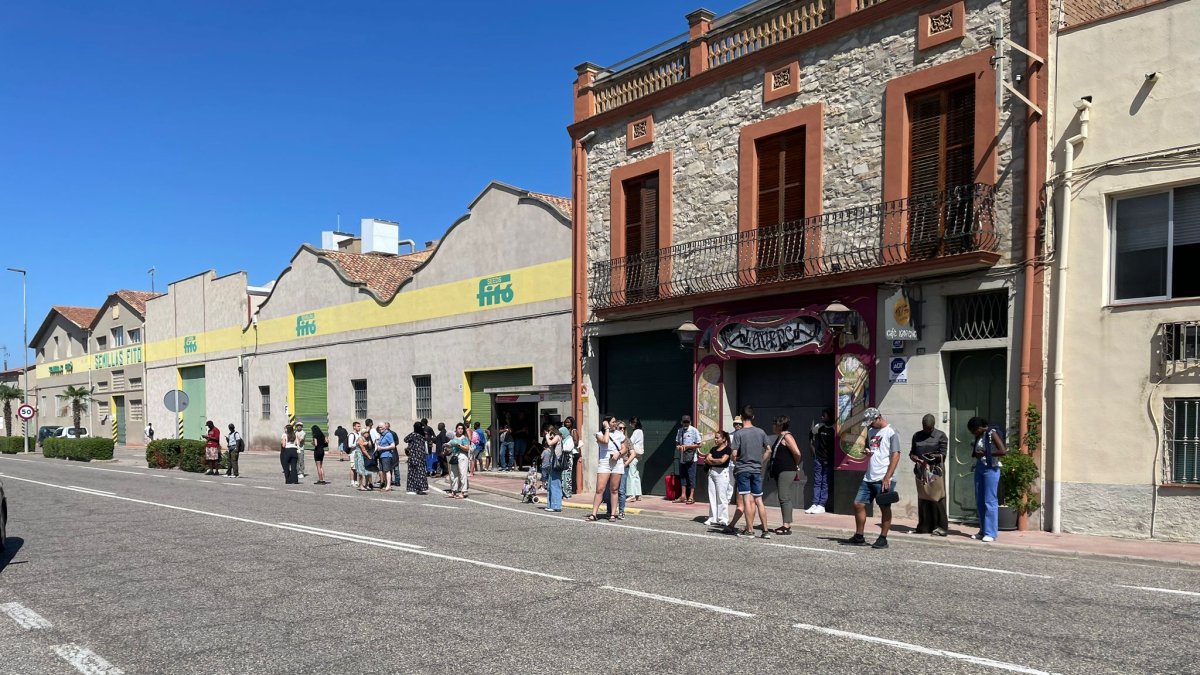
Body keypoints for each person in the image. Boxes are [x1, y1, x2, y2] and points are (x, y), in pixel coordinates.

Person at [846, 408, 901, 549]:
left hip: (884, 477)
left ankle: (883, 538)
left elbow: (896, 455)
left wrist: (887, 477)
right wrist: (867, 452)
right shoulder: (871, 432)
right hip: (869, 476)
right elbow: (872, 450)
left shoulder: (891, 432)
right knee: (858, 504)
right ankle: (859, 536)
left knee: (884, 507)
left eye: (871, 422)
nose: (870, 426)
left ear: (878, 417)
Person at [727, 407, 770, 539]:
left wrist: (736, 460)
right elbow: (768, 449)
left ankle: (750, 530)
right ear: (753, 417)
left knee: (746, 499)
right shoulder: (761, 432)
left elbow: (734, 453)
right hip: (756, 469)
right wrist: (760, 462)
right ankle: (765, 530)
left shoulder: (739, 434)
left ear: (741, 417)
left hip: (743, 469)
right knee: (759, 500)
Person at [968, 416, 1007, 543]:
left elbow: (1002, 451)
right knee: (979, 499)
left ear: (979, 428)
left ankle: (991, 533)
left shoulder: (992, 432)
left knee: (990, 501)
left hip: (991, 469)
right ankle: (983, 530)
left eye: (973, 431)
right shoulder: (980, 436)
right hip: (980, 467)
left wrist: (984, 453)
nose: (973, 433)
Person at [911, 414, 949, 536]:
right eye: (925, 427)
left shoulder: (941, 435)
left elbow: (943, 454)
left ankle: (941, 527)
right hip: (921, 470)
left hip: (935, 470)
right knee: (923, 497)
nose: (927, 430)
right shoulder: (917, 435)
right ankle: (924, 525)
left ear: (933, 426)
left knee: (938, 498)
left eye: (929, 428)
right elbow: (912, 453)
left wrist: (933, 456)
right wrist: (917, 459)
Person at [769, 416, 802, 536]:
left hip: (786, 470)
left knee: (784, 497)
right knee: (782, 497)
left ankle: (786, 526)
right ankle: (785, 524)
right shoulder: (780, 437)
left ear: (780, 425)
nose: (773, 426)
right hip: (780, 470)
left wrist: (795, 464)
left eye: (775, 424)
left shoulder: (787, 436)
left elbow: (797, 453)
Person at [588, 416, 623, 522]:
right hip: (604, 463)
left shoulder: (619, 434)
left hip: (617, 462)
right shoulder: (599, 434)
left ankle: (613, 514)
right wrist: (607, 429)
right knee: (600, 489)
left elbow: (625, 447)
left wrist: (619, 453)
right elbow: (606, 441)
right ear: (606, 423)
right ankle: (594, 514)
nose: (615, 423)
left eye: (615, 422)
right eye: (612, 422)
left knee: (614, 489)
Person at [805, 408, 835, 514]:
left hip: (829, 460)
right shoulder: (819, 426)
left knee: (825, 482)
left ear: (830, 416)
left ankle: (822, 505)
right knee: (817, 481)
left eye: (824, 415)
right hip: (818, 458)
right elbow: (811, 434)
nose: (822, 417)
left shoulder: (835, 428)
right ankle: (814, 504)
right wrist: (811, 447)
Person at [704, 430, 733, 527]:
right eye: (715, 438)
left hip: (722, 474)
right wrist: (713, 461)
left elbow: (722, 461)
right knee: (712, 495)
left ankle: (723, 519)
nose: (715, 439)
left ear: (724, 439)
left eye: (717, 437)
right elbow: (707, 459)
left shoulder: (728, 449)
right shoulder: (713, 449)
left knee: (721, 496)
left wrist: (711, 460)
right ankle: (712, 517)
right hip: (712, 473)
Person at [603, 419, 628, 518]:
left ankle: (621, 511)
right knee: (610, 489)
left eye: (623, 428)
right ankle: (610, 511)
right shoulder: (609, 435)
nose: (621, 429)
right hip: (611, 464)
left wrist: (626, 463)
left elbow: (632, 452)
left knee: (620, 490)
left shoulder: (625, 439)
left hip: (622, 465)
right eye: (619, 427)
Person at [675, 415, 701, 504]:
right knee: (682, 476)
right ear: (681, 422)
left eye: (687, 422)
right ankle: (683, 496)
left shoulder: (694, 430)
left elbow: (699, 444)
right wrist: (678, 447)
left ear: (690, 422)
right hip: (682, 457)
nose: (686, 423)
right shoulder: (680, 430)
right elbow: (677, 442)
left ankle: (691, 496)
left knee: (691, 477)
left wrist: (688, 447)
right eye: (684, 422)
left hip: (691, 458)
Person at [540, 424, 564, 511]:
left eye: (547, 433)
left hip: (556, 463)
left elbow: (550, 443)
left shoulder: (558, 436)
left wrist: (547, 436)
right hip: (552, 462)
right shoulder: (556, 437)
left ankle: (556, 506)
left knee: (555, 484)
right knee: (550, 484)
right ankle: (550, 505)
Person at [404, 422, 429, 496]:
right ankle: (420, 488)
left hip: (412, 457)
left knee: (412, 473)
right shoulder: (422, 436)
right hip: (420, 457)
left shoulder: (412, 435)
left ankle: (411, 488)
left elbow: (405, 439)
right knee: (420, 473)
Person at [448, 423, 471, 498]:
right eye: (459, 428)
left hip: (462, 456)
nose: (460, 430)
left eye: (462, 429)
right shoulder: (453, 438)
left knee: (462, 474)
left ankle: (463, 492)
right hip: (454, 456)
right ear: (456, 429)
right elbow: (449, 446)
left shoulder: (464, 438)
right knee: (453, 474)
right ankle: (454, 491)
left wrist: (459, 445)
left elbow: (467, 448)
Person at [560, 416, 580, 499]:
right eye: (566, 422)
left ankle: (572, 489)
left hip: (573, 453)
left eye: (568, 422)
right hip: (567, 453)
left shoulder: (573, 431)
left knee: (572, 471)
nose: (567, 423)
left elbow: (576, 442)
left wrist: (569, 440)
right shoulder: (565, 430)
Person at [626, 417, 645, 502]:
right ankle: (638, 494)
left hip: (634, 455)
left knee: (631, 474)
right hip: (638, 455)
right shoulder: (640, 431)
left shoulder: (636, 432)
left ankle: (631, 495)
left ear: (634, 423)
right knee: (635, 474)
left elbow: (630, 442)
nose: (630, 425)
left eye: (631, 423)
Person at [376, 422, 398, 492]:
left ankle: (388, 486)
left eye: (381, 427)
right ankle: (385, 485)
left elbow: (393, 445)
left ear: (385, 427)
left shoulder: (388, 434)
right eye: (379, 427)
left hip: (387, 455)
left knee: (387, 471)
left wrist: (382, 448)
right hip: (381, 455)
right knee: (383, 471)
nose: (380, 428)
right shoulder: (382, 435)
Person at [355, 423, 376, 491]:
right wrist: (368, 456)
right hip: (360, 456)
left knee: (367, 471)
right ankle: (361, 485)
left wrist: (369, 443)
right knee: (361, 472)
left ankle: (366, 485)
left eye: (367, 433)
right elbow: (363, 450)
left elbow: (370, 447)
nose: (367, 434)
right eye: (365, 433)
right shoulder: (360, 439)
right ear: (363, 433)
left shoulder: (367, 439)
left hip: (365, 456)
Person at [348, 421, 364, 487]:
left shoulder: (358, 434)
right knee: (353, 468)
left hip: (358, 453)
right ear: (354, 427)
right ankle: (352, 482)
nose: (359, 427)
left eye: (360, 426)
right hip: (353, 453)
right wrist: (357, 443)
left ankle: (356, 481)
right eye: (358, 426)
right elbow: (350, 445)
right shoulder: (352, 435)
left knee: (356, 468)